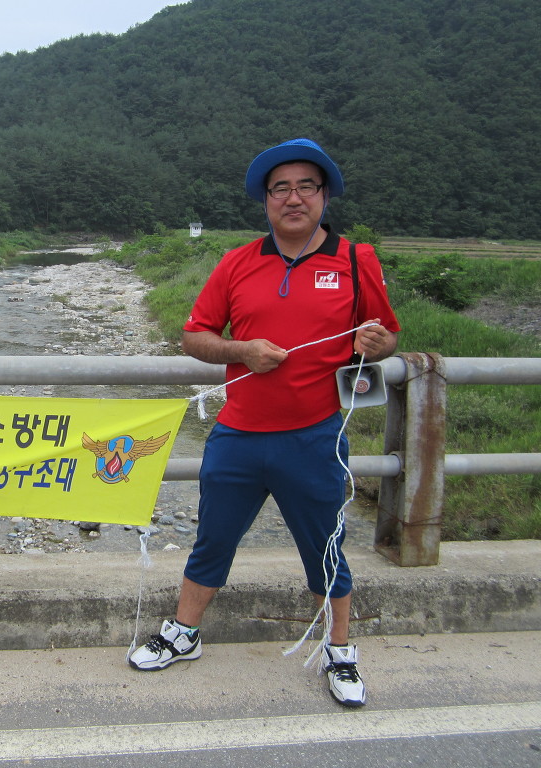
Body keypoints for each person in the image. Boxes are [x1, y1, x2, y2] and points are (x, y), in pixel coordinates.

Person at [128, 139, 400, 708]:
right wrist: (242, 350)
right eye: (281, 189)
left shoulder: (356, 260)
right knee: (213, 539)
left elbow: (386, 334)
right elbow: (195, 336)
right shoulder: (237, 262)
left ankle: (339, 650)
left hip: (315, 436)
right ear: (266, 200)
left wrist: (378, 343)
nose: (293, 198)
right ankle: (184, 632)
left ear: (324, 196)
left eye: (306, 187)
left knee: (326, 548)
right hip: (238, 435)